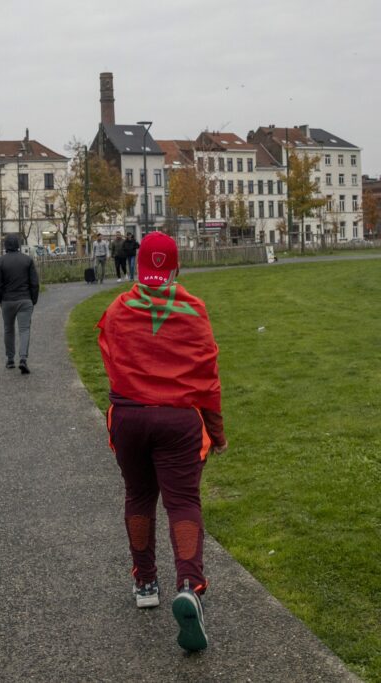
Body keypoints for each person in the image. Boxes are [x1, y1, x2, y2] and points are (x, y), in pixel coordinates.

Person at [96, 231, 227, 653]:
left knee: (138, 496)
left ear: (137, 267)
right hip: (178, 420)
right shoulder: (192, 310)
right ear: (175, 267)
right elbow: (207, 379)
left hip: (130, 416)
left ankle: (145, 581)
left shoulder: (118, 309)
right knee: (183, 501)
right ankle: (189, 584)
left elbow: (111, 362)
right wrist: (218, 433)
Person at [0, 234, 39, 374]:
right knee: (24, 329)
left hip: (7, 300)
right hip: (25, 299)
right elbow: (34, 283)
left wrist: (0, 299)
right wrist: (33, 299)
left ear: (5, 245)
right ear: (18, 244)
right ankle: (23, 358)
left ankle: (10, 359)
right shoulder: (27, 260)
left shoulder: (0, 262)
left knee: (8, 329)